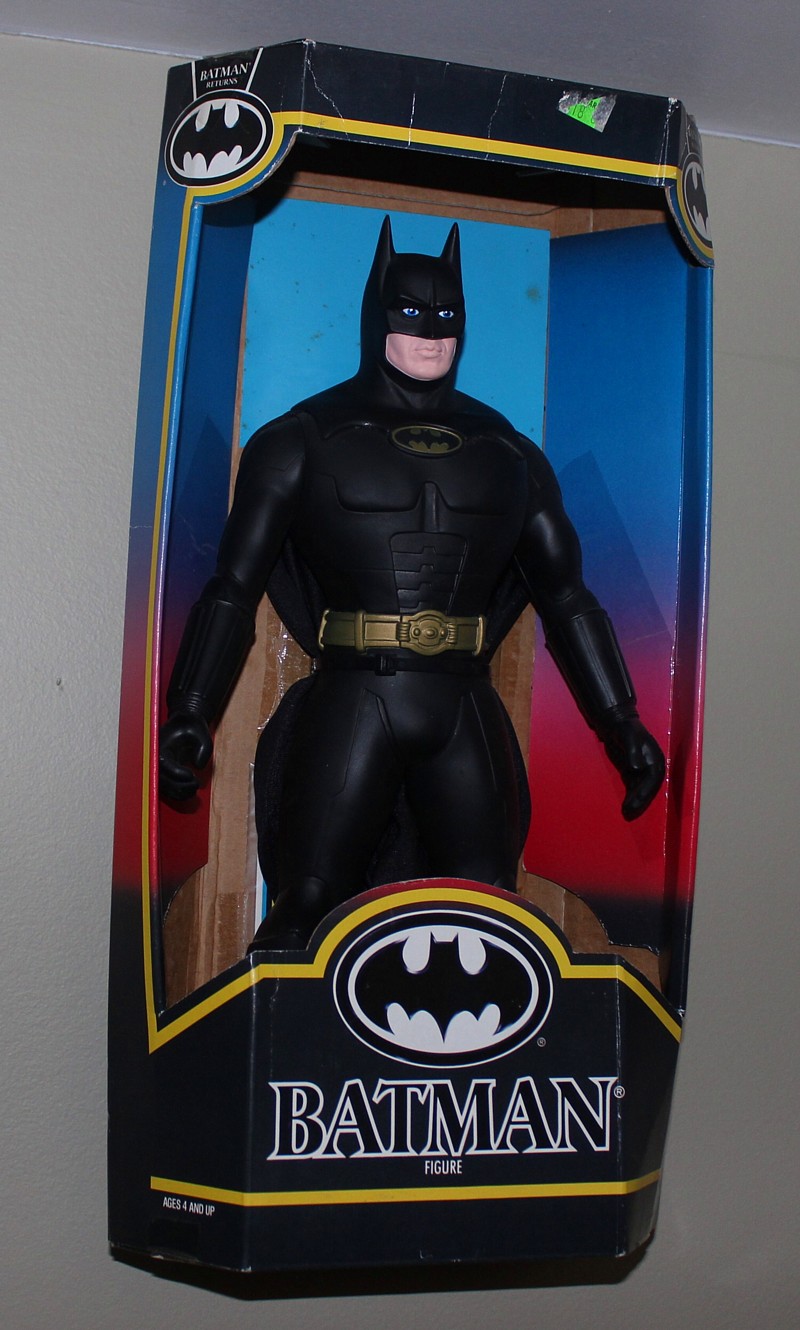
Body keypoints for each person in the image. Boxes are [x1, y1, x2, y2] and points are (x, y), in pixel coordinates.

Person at [159, 218, 665, 950]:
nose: (430, 332)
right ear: (376, 314)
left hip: (461, 696)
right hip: (357, 693)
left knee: (488, 913)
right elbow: (232, 587)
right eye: (410, 311)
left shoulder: (509, 452)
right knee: (307, 904)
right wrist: (191, 709)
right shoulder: (303, 438)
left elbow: (567, 598)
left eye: (446, 314)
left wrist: (622, 722)